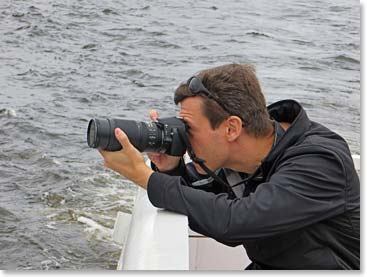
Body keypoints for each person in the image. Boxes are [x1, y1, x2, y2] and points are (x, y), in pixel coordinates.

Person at [98, 63, 360, 270]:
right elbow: (214, 207)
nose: (186, 137)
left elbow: (235, 221)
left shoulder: (320, 161)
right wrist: (171, 168)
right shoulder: (246, 157)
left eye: (190, 128)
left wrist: (145, 178)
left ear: (231, 128)